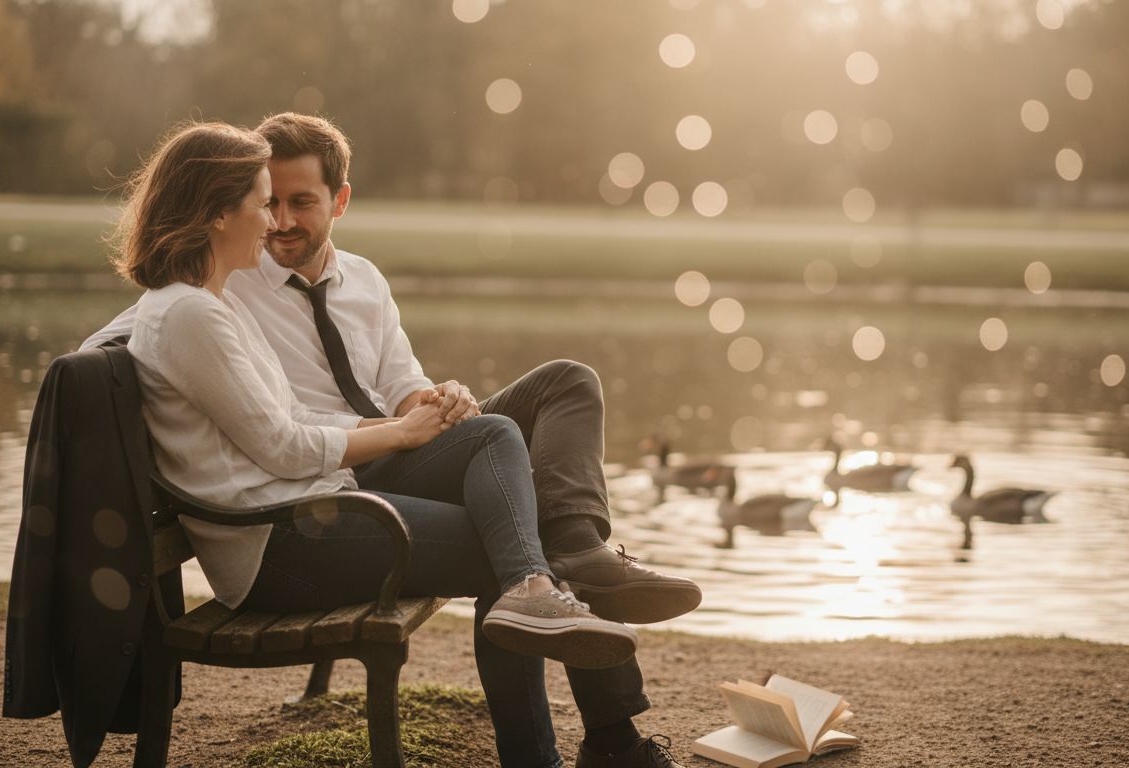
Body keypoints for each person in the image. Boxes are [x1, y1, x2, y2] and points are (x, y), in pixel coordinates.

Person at [94, 118, 690, 768]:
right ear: (225, 213)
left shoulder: (362, 280)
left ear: (340, 201)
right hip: (315, 497)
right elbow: (125, 339)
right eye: (265, 202)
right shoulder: (218, 288)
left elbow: (399, 382)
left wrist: (432, 404)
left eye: (299, 202)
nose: (277, 222)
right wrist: (99, 377)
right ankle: (598, 732)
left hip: (360, 472)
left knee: (550, 396)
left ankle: (574, 550)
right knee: (516, 538)